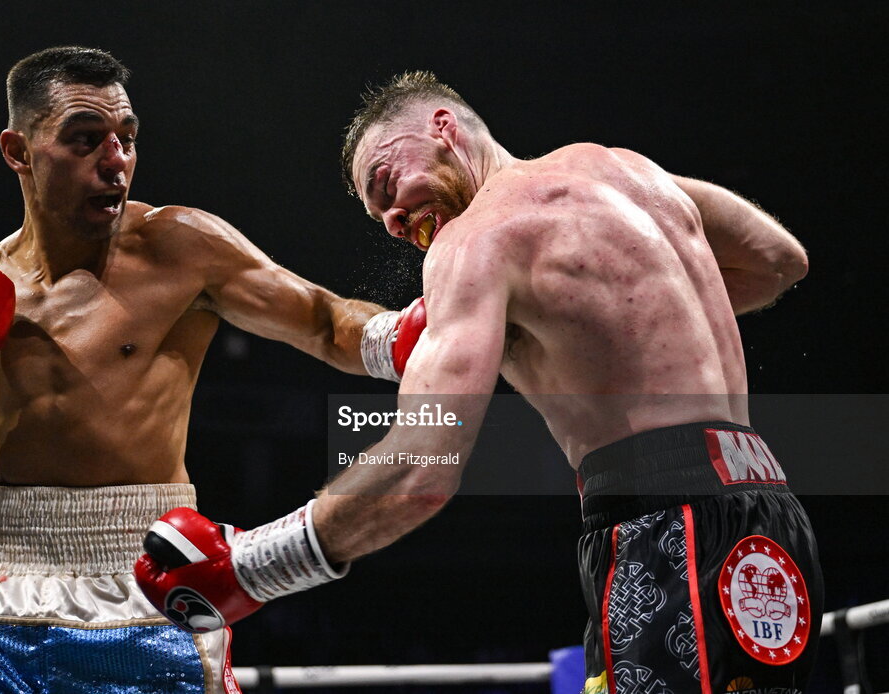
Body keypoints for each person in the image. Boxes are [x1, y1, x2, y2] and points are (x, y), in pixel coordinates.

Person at [137, 72, 824, 694]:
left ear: (443, 128)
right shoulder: (629, 171)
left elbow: (422, 469)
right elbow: (777, 261)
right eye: (380, 220)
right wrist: (591, 325)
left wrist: (254, 564)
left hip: (663, 528)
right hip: (768, 510)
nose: (393, 221)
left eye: (386, 184)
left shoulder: (478, 239)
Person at [0, 47, 430, 694]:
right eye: (84, 139)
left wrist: (429, 335)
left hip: (140, 588)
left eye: (126, 139)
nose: (115, 161)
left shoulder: (179, 248)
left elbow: (328, 323)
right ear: (18, 151)